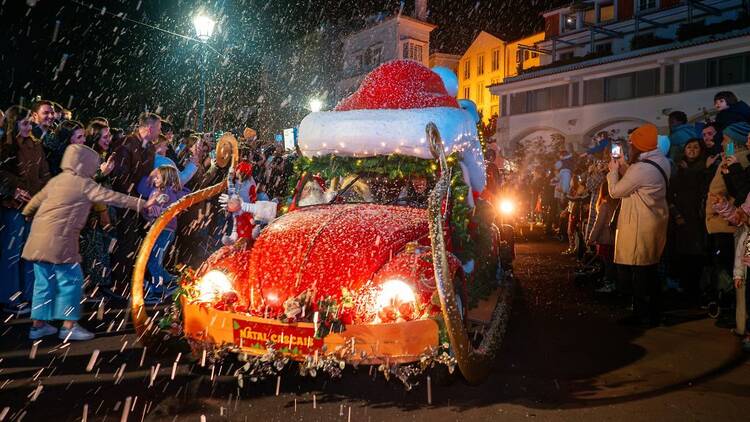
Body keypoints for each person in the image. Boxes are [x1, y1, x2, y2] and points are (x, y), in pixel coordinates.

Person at [22, 144, 151, 341]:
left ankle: (38, 326)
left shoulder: (57, 180)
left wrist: (27, 213)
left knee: (43, 284)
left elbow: (36, 200)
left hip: (37, 239)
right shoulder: (84, 184)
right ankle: (68, 326)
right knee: (71, 282)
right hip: (61, 241)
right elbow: (113, 197)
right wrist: (142, 204)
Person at [608, 123, 670, 326]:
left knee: (639, 273)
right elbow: (637, 179)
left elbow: (616, 191)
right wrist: (625, 165)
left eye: (633, 143)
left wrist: (613, 172)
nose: (630, 146)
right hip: (654, 220)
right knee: (649, 270)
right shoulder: (661, 161)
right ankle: (651, 312)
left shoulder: (642, 168)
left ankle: (643, 316)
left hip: (638, 224)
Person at [0, 105, 51, 314]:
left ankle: (30, 295)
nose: (30, 127)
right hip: (13, 206)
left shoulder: (36, 145)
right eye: (25, 123)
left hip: (33, 206)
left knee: (30, 253)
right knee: (12, 253)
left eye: (30, 122)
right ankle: (10, 298)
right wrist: (14, 189)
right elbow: (2, 173)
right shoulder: (4, 145)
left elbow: (44, 173)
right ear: (14, 124)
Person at [108, 112, 160, 285]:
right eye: (158, 128)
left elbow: (146, 177)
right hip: (125, 203)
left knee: (140, 242)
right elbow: (122, 179)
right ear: (150, 128)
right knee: (125, 242)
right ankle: (121, 282)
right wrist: (137, 201)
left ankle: (137, 279)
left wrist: (150, 196)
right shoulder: (126, 145)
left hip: (142, 203)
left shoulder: (150, 148)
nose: (159, 133)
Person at [668, 139, 710, 303]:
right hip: (680, 218)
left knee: (696, 256)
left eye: (695, 147)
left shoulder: (703, 167)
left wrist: (691, 173)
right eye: (688, 147)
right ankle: (683, 289)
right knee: (682, 255)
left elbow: (701, 189)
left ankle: (693, 291)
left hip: (697, 218)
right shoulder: (678, 168)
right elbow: (671, 193)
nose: (692, 150)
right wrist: (676, 214)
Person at [138, 165, 186, 304]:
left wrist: (147, 209)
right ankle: (173, 281)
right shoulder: (157, 191)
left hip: (165, 230)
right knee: (154, 260)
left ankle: (158, 291)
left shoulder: (165, 193)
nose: (155, 179)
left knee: (154, 260)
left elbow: (162, 212)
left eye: (157, 177)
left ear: (166, 178)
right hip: (160, 230)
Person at [587, 179, 618, 293]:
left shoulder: (604, 205)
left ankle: (608, 284)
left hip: (605, 238)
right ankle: (613, 282)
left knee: (608, 263)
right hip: (615, 238)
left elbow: (598, 224)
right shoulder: (617, 203)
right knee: (612, 263)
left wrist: (591, 239)